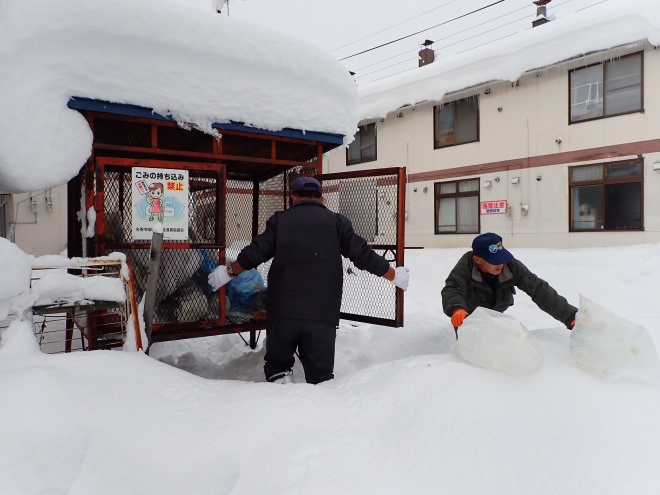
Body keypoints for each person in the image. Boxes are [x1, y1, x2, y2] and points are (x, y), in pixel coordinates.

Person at [208, 176, 409, 384]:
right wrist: (393, 275)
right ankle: (319, 412)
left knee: (278, 370)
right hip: (322, 314)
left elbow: (255, 253)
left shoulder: (280, 221)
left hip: (283, 312)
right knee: (321, 378)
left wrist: (228, 273)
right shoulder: (337, 223)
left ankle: (279, 403)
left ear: (293, 197)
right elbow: (363, 255)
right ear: (321, 198)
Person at [442, 232, 576, 337]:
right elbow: (453, 288)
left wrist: (570, 316)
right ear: (477, 259)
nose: (500, 264)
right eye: (494, 260)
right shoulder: (465, 267)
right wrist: (456, 309)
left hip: (495, 311)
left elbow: (539, 289)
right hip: (468, 317)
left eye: (501, 258)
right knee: (474, 351)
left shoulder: (511, 266)